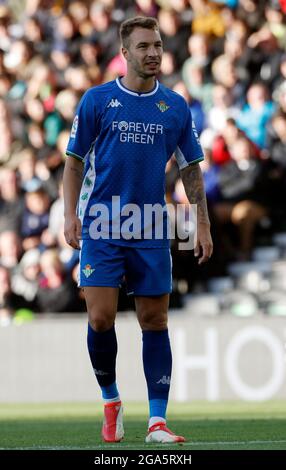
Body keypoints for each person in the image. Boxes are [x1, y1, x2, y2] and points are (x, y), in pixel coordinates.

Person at [63, 16, 212, 444]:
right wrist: (70, 215)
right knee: (100, 317)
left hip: (149, 226)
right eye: (144, 46)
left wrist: (201, 223)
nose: (153, 53)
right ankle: (111, 400)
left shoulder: (176, 107)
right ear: (125, 53)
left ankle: (157, 423)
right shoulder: (96, 101)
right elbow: (73, 164)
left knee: (154, 319)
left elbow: (191, 170)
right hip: (102, 224)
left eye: (158, 45)